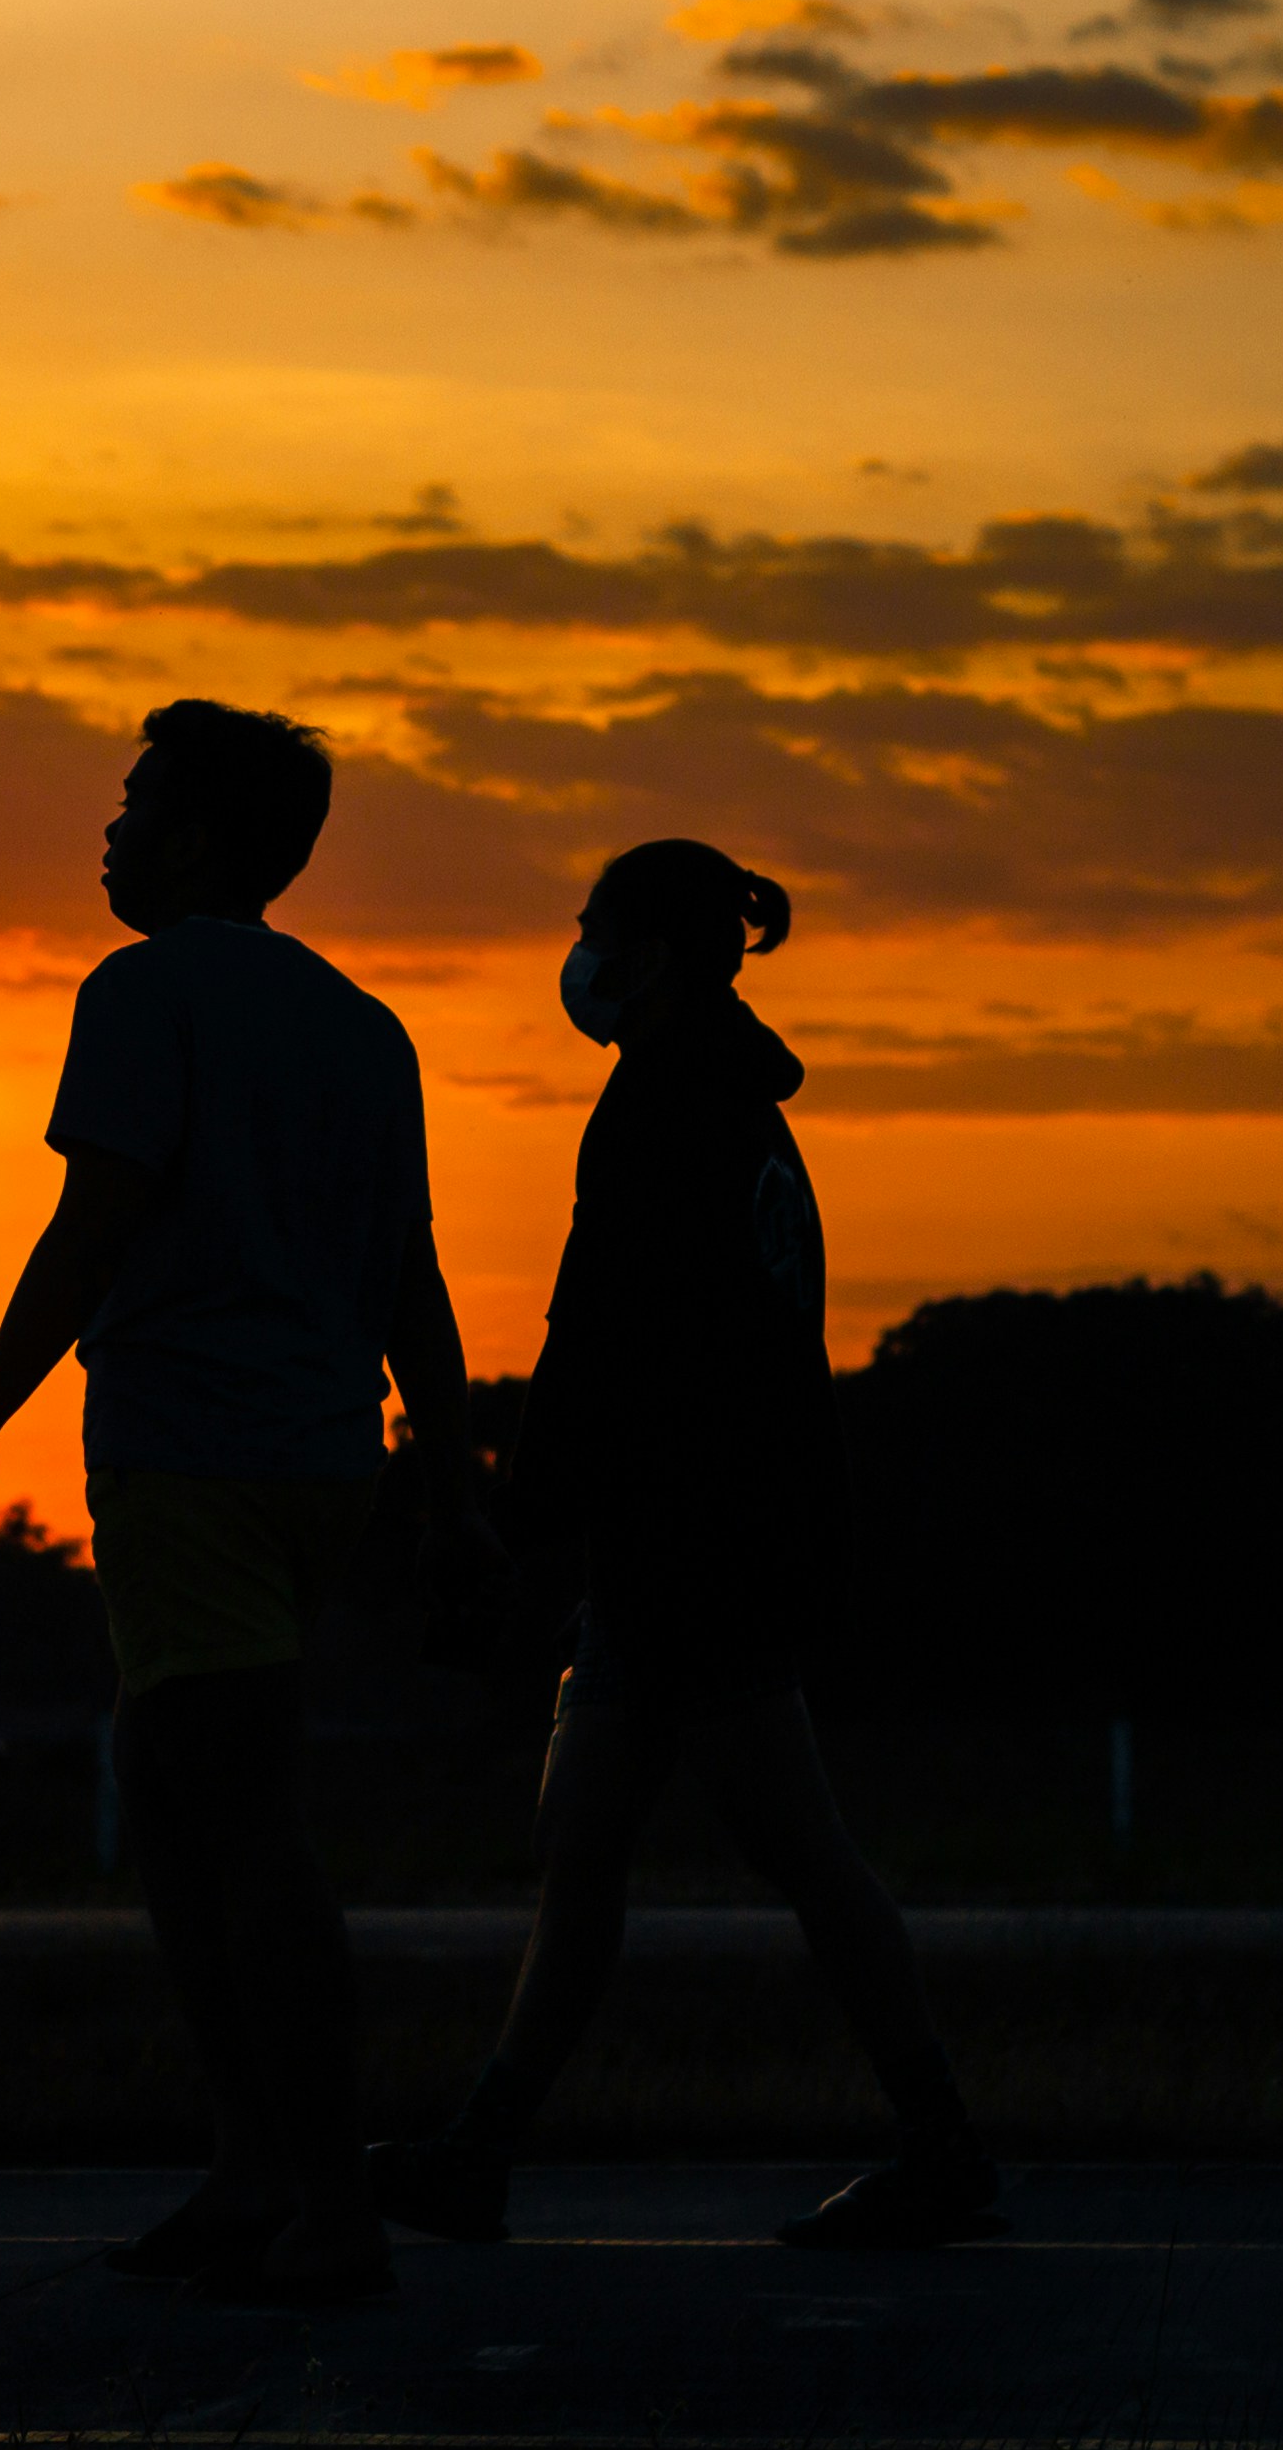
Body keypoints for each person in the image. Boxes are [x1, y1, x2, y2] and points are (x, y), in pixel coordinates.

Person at [0, 698, 489, 2305]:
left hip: (192, 1460)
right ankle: (256, 2173)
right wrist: (446, 1490)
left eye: (139, 804)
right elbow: (413, 1284)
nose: (110, 830)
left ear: (210, 842)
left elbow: (92, 1226)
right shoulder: (365, 1026)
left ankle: (321, 2199)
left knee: (237, 1823)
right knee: (178, 1798)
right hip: (322, 1463)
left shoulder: (143, 991)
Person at [370, 840, 1001, 2252]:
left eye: (593, 928)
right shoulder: (737, 1104)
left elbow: (598, 1334)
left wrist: (507, 1515)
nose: (577, 956)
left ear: (651, 951)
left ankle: (942, 2146)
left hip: (688, 1543)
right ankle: (484, 2145)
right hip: (713, 1535)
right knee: (588, 1837)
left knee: (769, 1847)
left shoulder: (665, 1104)